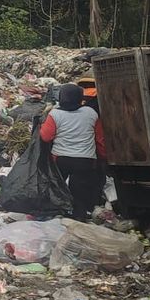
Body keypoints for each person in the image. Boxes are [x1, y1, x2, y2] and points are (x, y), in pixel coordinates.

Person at [39, 82, 106, 221]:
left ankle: (56, 215)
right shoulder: (91, 113)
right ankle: (79, 218)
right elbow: (100, 139)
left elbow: (45, 136)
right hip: (85, 161)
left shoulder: (55, 114)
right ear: (80, 98)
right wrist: (103, 158)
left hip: (61, 160)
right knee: (80, 193)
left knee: (57, 187)